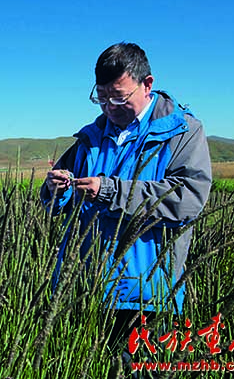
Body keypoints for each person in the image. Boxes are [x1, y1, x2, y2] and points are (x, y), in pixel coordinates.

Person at [40, 43, 212, 347]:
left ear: (147, 85)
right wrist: (56, 190)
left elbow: (188, 198)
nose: (109, 107)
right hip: (86, 287)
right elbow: (55, 200)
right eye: (102, 98)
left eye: (119, 97)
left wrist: (110, 191)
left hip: (146, 294)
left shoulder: (182, 132)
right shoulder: (91, 136)